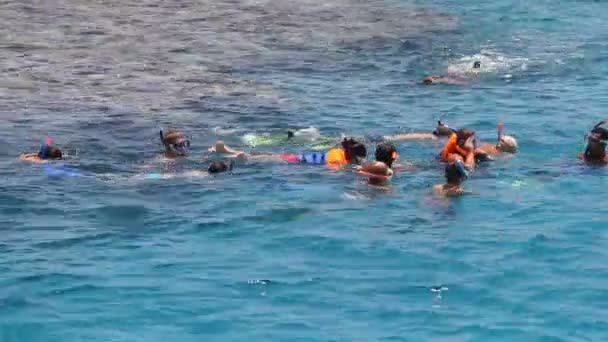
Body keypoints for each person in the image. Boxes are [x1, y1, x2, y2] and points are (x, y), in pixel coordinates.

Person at [209, 137, 368, 167]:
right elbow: (330, 171)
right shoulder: (338, 161)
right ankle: (239, 155)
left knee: (269, 156)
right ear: (355, 155)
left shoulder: (337, 152)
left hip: (298, 157)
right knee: (267, 159)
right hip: (297, 161)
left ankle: (227, 150)